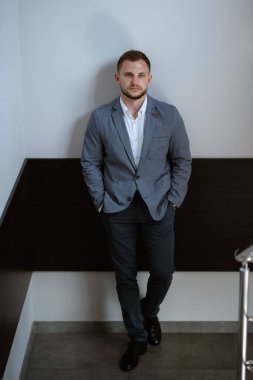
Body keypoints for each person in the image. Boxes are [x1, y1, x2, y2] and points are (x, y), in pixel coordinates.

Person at [81, 50, 191, 371]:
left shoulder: (168, 115)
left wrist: (174, 199)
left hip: (159, 206)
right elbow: (89, 161)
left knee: (163, 272)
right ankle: (137, 338)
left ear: (149, 78)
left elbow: (182, 160)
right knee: (124, 276)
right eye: (128, 74)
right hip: (116, 207)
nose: (135, 80)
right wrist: (101, 200)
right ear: (118, 78)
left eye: (141, 74)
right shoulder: (101, 117)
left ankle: (149, 312)